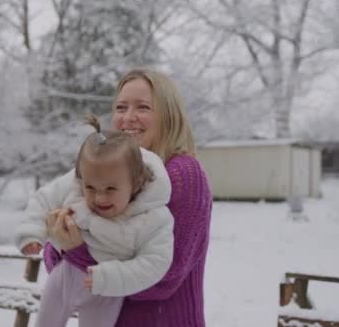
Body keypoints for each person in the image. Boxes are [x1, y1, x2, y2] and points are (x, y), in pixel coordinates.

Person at [44, 68, 213, 326]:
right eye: (121, 108)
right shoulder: (107, 168)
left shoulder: (182, 173)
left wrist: (77, 252)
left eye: (143, 107)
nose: (128, 118)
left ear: (168, 115)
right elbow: (56, 260)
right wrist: (61, 239)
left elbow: (163, 280)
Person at [16, 114, 175, 327]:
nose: (99, 198)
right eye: (90, 187)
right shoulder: (75, 182)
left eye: (111, 189)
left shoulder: (154, 218)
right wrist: (31, 231)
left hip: (105, 292)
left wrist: (110, 277)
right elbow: (44, 199)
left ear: (136, 183)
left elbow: (154, 263)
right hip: (64, 278)